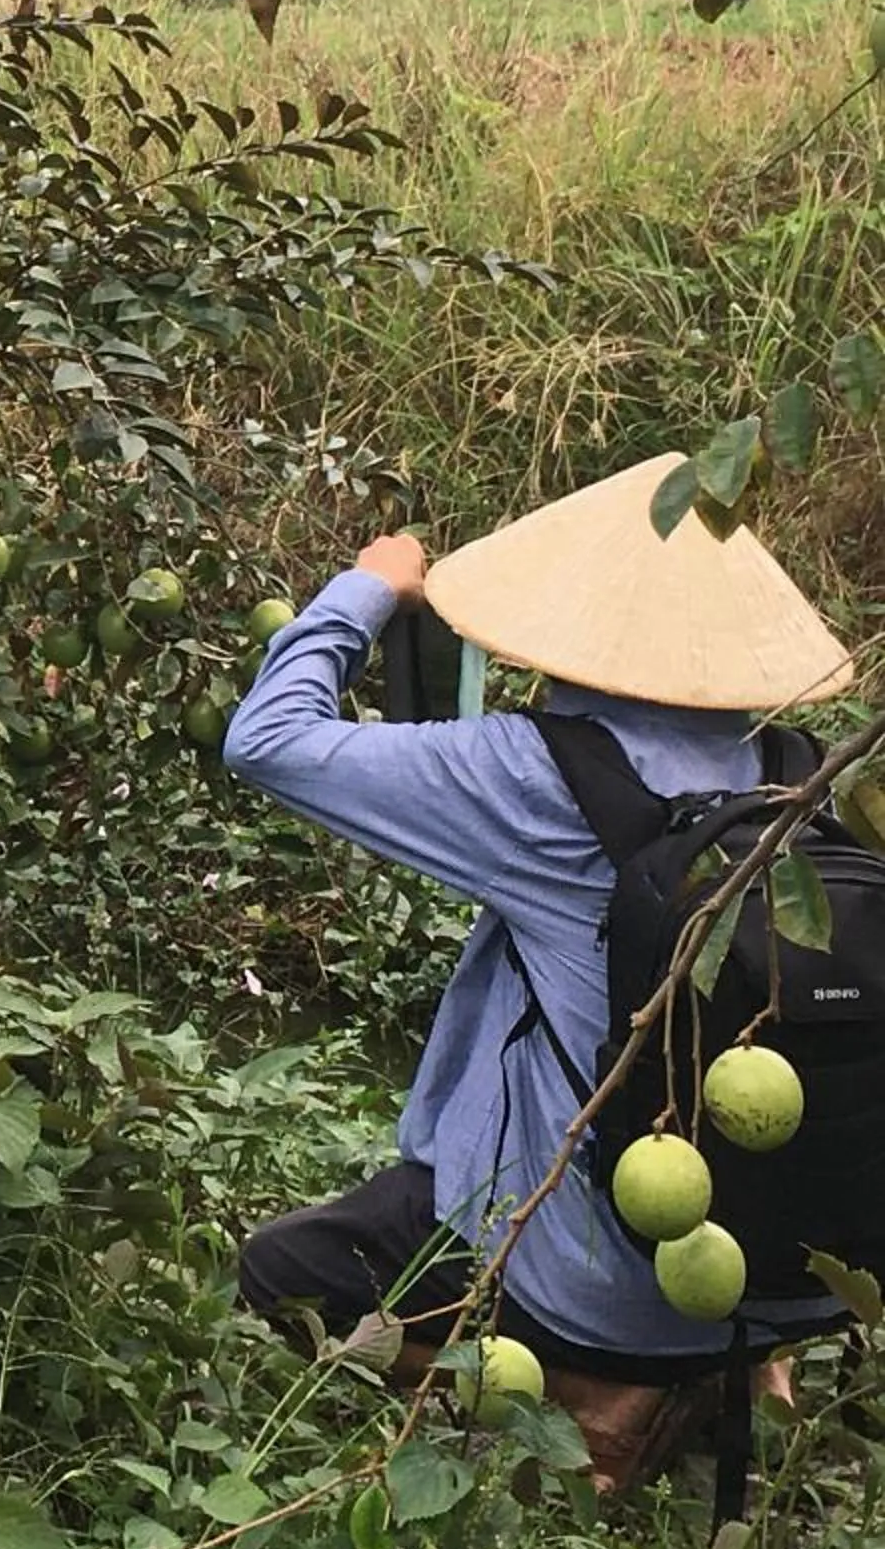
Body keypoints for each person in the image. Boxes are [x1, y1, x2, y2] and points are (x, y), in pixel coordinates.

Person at [221, 453, 854, 1494]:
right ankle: (747, 1374)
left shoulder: (535, 776)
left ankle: (593, 1403)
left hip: (590, 1292)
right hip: (782, 1277)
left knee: (285, 1275)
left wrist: (370, 584)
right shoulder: (801, 777)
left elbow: (271, 740)